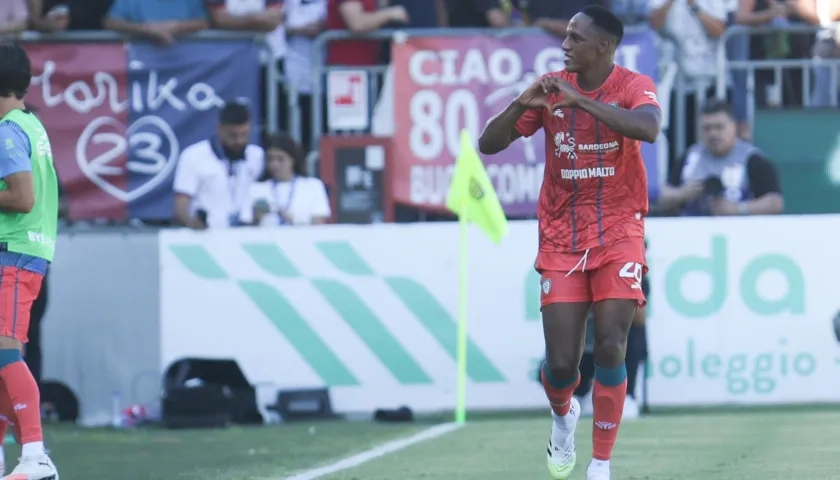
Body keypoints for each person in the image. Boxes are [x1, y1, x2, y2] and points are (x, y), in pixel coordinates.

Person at [478, 6, 661, 480]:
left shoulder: (633, 85)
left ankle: (600, 462)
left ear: (604, 46)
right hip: (561, 235)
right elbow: (488, 144)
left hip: (621, 228)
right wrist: (522, 104)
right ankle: (563, 415)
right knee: (561, 363)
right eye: (565, 36)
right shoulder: (551, 90)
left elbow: (648, 128)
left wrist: (582, 104)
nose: (565, 45)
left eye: (576, 38)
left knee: (609, 345)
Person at [0, 42, 60, 480]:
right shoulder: (31, 124)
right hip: (27, 253)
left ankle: (35, 455)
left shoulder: (6, 130)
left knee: (6, 355)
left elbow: (21, 198)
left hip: (13, 255)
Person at [173, 100, 265, 229]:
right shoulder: (193, 156)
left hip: (247, 232)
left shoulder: (257, 156)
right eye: (232, 136)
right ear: (219, 129)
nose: (239, 141)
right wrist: (192, 223)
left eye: (244, 135)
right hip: (208, 233)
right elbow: (181, 205)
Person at [239, 132, 331, 226]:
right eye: (270, 159)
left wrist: (290, 219)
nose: (274, 165)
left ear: (293, 159)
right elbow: (245, 227)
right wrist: (256, 219)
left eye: (280, 159)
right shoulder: (255, 188)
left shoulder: (313, 186)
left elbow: (319, 224)